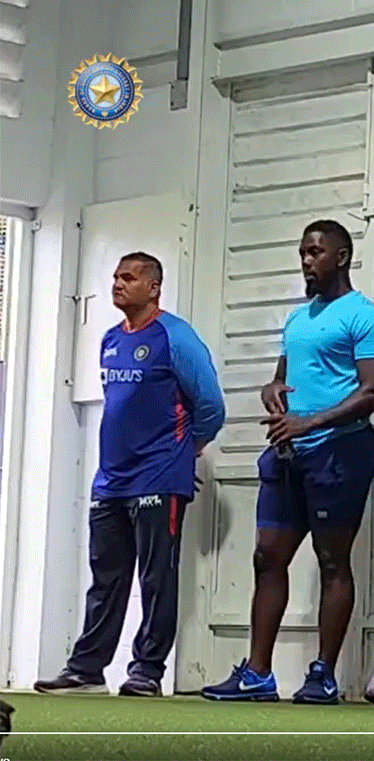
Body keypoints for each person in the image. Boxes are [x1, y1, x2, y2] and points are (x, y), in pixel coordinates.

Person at [201, 220, 374, 704]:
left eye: (315, 252)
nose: (306, 261)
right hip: (289, 454)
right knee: (267, 557)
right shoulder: (298, 319)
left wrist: (311, 422)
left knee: (332, 561)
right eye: (302, 253)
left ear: (342, 257)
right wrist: (272, 390)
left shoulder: (365, 317)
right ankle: (258, 673)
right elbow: (283, 375)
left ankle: (323, 674)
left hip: (340, 452)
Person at [35, 252, 225, 698]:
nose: (118, 284)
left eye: (130, 277)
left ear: (154, 287)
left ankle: (146, 672)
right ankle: (86, 670)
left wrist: (183, 453)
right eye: (116, 277)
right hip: (111, 481)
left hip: (159, 479)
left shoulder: (176, 337)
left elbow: (212, 407)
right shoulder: (108, 339)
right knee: (106, 577)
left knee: (157, 578)